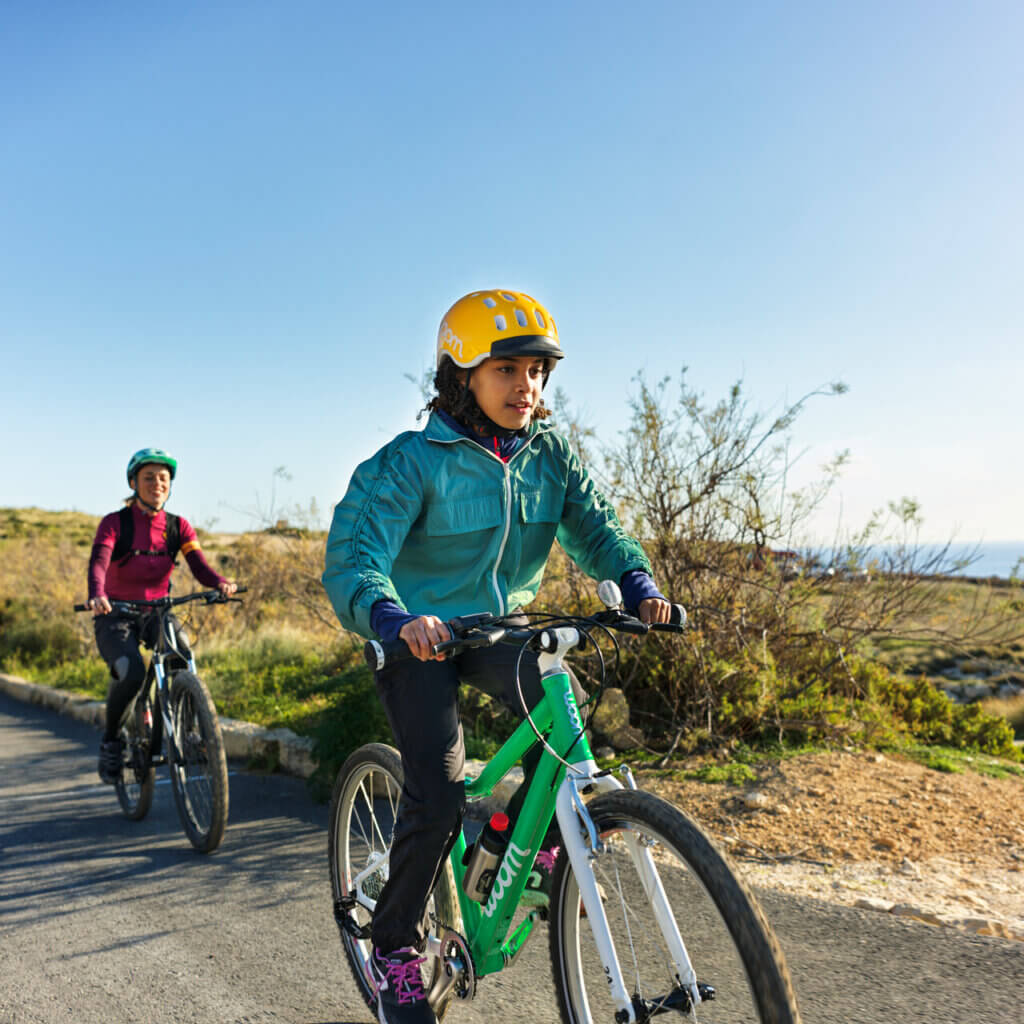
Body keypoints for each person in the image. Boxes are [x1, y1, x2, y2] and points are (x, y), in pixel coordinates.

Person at [322, 289, 671, 1024]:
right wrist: (392, 616)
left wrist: (636, 583)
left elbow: (599, 530)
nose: (527, 387)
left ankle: (525, 843)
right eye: (507, 368)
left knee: (563, 712)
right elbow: (357, 557)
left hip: (500, 628)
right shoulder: (411, 463)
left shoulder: (550, 455)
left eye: (538, 371)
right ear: (462, 375)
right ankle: (392, 947)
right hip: (414, 638)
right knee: (441, 789)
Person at [85, 447, 237, 783]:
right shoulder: (115, 523)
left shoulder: (178, 526)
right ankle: (112, 739)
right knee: (130, 671)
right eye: (149, 477)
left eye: (163, 478)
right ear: (134, 483)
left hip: (158, 610)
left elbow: (200, 566)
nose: (157, 483)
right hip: (115, 613)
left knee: (182, 654)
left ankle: (188, 729)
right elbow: (99, 562)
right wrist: (97, 593)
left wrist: (220, 583)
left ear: (170, 485)